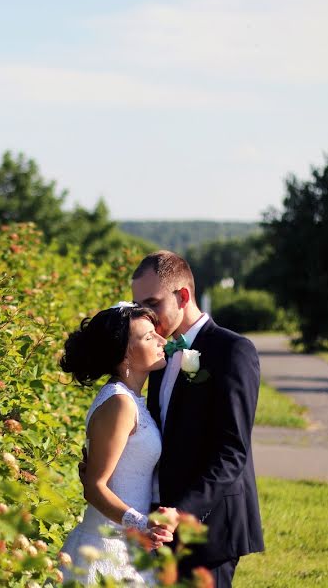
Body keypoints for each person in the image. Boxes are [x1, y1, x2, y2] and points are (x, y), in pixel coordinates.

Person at [126, 250, 264, 587]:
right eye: (139, 307)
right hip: (162, 522)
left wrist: (182, 513)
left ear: (183, 296)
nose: (146, 316)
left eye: (153, 303)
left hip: (210, 525)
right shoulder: (160, 354)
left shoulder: (233, 350)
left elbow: (232, 452)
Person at [58, 302, 178, 586]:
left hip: (128, 546)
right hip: (106, 548)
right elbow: (95, 487)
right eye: (149, 337)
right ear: (126, 353)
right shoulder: (119, 403)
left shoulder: (131, 399)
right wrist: (142, 525)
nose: (162, 340)